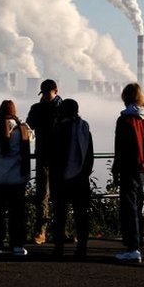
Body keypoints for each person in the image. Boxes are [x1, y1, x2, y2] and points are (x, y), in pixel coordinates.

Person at [112, 83, 144, 263]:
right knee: (138, 205)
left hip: (129, 167)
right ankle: (138, 242)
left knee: (129, 207)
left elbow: (120, 148)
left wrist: (116, 169)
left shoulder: (124, 120)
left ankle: (133, 248)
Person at [0, 100, 31, 256]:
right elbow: (32, 137)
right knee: (17, 214)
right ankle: (17, 245)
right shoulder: (22, 131)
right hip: (17, 179)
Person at [50, 98, 94, 258]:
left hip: (61, 179)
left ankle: (58, 248)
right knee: (81, 214)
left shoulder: (59, 129)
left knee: (60, 214)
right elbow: (90, 156)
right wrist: (84, 174)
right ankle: (82, 248)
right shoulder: (84, 129)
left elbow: (54, 155)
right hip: (81, 179)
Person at [25, 79, 61, 245]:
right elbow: (29, 125)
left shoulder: (60, 108)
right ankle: (42, 231)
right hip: (45, 156)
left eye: (47, 93)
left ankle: (58, 231)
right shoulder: (39, 108)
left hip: (55, 156)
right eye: (44, 93)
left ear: (55, 91)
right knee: (42, 195)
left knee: (58, 195)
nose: (46, 96)